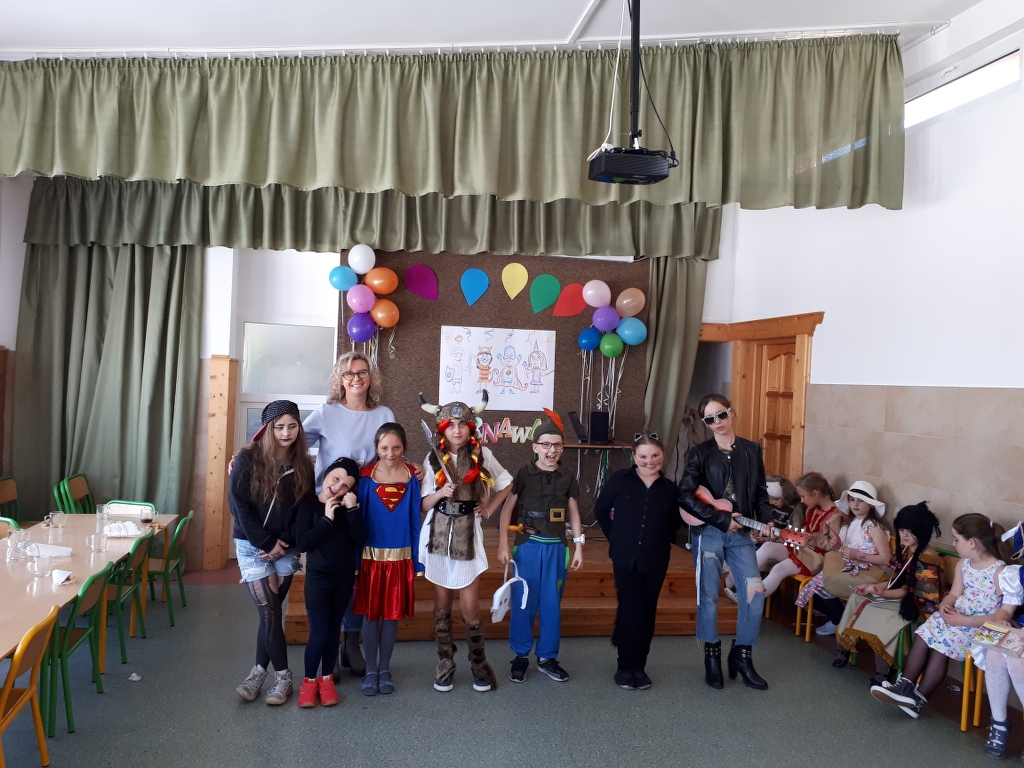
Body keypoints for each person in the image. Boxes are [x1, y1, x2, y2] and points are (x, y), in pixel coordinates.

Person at [302, 351, 405, 679]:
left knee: (360, 575)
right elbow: (289, 443)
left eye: (362, 372)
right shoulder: (327, 412)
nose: (356, 378)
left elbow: (391, 453)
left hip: (369, 507)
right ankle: (330, 644)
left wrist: (410, 468)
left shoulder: (384, 413)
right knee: (337, 571)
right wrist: (251, 455)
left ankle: (351, 641)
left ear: (371, 377)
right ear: (340, 379)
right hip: (332, 507)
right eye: (349, 373)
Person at [871, 513, 1011, 718]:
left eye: (956, 539)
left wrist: (964, 620)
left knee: (942, 646)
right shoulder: (964, 563)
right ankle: (904, 686)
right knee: (924, 632)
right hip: (958, 616)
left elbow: (1001, 614)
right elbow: (954, 594)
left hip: (980, 626)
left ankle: (919, 700)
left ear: (972, 543)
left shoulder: (1000, 572)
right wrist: (945, 606)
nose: (953, 543)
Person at [678, 394, 775, 691]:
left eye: (721, 415)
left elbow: (760, 493)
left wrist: (767, 520)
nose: (717, 422)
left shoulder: (751, 450)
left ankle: (742, 656)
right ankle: (712, 657)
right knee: (709, 597)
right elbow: (685, 495)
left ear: (731, 412)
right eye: (710, 419)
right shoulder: (700, 452)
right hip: (709, 531)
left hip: (742, 533)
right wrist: (721, 519)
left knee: (755, 593)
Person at [418, 391, 513, 692]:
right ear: (442, 428)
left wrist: (489, 509)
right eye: (451, 424)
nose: (457, 429)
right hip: (437, 535)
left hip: (469, 534)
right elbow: (423, 504)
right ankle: (445, 662)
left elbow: (506, 483)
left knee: (471, 607)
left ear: (470, 427)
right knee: (441, 605)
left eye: (462, 424)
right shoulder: (432, 458)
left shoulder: (482, 455)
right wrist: (440, 493)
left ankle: (479, 664)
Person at [230, 400, 314, 706]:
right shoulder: (247, 458)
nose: (286, 432)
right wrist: (265, 543)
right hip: (252, 546)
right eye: (279, 427)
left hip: (286, 548)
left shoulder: (303, 464)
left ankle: (257, 672)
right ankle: (283, 677)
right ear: (267, 429)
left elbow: (305, 510)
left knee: (272, 613)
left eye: (292, 426)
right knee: (269, 612)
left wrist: (285, 543)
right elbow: (238, 506)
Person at [496, 411, 584, 684]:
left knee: (550, 605)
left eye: (557, 445)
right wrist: (503, 543)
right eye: (546, 444)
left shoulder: (567, 475)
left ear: (562, 448)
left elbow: (573, 510)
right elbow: (507, 508)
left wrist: (579, 546)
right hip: (528, 546)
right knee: (523, 602)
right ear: (535, 447)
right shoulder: (524, 472)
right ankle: (520, 655)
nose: (551, 450)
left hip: (557, 547)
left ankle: (547, 657)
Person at [594, 433, 683, 690]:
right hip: (624, 558)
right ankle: (624, 667)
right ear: (634, 457)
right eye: (643, 456)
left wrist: (658, 539)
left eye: (655, 456)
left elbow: (674, 522)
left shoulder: (670, 489)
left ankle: (639, 667)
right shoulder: (620, 480)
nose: (649, 461)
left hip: (656, 559)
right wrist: (616, 538)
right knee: (633, 611)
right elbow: (601, 510)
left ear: (663, 455)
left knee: (648, 612)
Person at [834, 502, 945, 682]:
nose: (904, 535)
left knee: (877, 612)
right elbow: (893, 577)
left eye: (910, 531)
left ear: (922, 531)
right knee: (856, 597)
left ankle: (883, 670)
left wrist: (883, 593)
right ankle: (843, 648)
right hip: (899, 596)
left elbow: (916, 593)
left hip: (918, 605)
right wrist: (876, 588)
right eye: (901, 530)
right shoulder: (905, 549)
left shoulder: (928, 559)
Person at [353, 423, 423, 696]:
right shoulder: (365, 477)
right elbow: (357, 521)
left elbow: (415, 520)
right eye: (384, 448)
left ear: (404, 447)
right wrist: (355, 562)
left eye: (396, 447)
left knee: (392, 616)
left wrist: (416, 560)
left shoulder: (412, 477)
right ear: (376, 448)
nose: (390, 453)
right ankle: (370, 669)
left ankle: (385, 669)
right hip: (370, 559)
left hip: (400, 558)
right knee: (371, 616)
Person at [292, 457, 367, 708]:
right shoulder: (309, 505)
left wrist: (353, 510)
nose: (337, 487)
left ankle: (326, 681)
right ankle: (309, 682)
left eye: (346, 485)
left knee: (334, 632)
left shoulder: (349, 508)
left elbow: (361, 538)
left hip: (343, 580)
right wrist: (326, 519)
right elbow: (303, 542)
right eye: (335, 479)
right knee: (318, 634)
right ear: (325, 475)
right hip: (318, 580)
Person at [795, 480, 891, 636]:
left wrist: (857, 555)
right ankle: (841, 620)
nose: (855, 504)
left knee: (823, 585)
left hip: (867, 571)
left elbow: (886, 559)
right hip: (846, 566)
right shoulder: (848, 524)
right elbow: (843, 551)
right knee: (812, 590)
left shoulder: (874, 527)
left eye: (861, 500)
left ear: (871, 505)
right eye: (852, 499)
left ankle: (842, 622)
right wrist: (838, 545)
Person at [755, 473, 845, 611]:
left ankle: (751, 598)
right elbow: (804, 532)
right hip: (802, 549)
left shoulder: (835, 516)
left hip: (816, 558)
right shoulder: (811, 509)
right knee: (767, 547)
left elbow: (834, 546)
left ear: (815, 493)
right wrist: (786, 534)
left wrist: (814, 537)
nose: (801, 501)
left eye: (803, 496)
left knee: (779, 569)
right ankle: (736, 583)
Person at [723, 474, 799, 603]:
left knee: (754, 552)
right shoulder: (770, 507)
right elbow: (763, 525)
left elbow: (789, 536)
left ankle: (739, 585)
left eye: (776, 499)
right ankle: (732, 580)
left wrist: (769, 540)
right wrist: (757, 534)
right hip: (764, 541)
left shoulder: (792, 511)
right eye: (771, 499)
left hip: (779, 544)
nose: (773, 502)